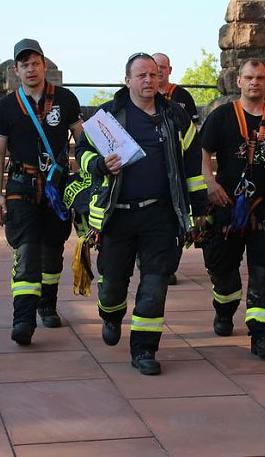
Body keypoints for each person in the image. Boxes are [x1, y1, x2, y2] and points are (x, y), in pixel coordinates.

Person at [75, 52, 207, 375]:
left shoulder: (176, 116)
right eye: (142, 75)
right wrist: (97, 164)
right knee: (113, 283)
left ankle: (144, 349)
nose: (149, 80)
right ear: (128, 80)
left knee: (155, 282)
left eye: (154, 75)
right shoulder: (109, 115)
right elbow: (81, 153)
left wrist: (199, 209)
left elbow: (193, 165)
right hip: (117, 215)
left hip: (160, 216)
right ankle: (110, 313)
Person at [0, 38, 83, 346]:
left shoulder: (66, 100)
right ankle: (23, 319)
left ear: (45, 65)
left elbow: (83, 141)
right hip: (20, 186)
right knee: (27, 251)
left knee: (52, 251)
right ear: (16, 71)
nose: (30, 69)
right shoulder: (6, 107)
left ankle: (47, 303)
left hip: (57, 187)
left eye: (35, 63)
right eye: (24, 64)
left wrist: (89, 178)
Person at [200, 58, 265, 358]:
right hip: (226, 206)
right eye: (248, 77)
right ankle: (224, 309)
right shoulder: (222, 116)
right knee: (222, 271)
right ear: (239, 82)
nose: (254, 82)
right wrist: (210, 183)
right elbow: (204, 152)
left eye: (260, 77)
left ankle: (262, 335)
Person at [153, 52, 200, 286]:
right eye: (155, 67)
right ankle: (150, 260)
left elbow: (194, 130)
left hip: (178, 165)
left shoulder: (182, 96)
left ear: (170, 70)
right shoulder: (142, 96)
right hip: (154, 166)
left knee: (177, 215)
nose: (159, 71)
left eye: (163, 67)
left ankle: (170, 265)